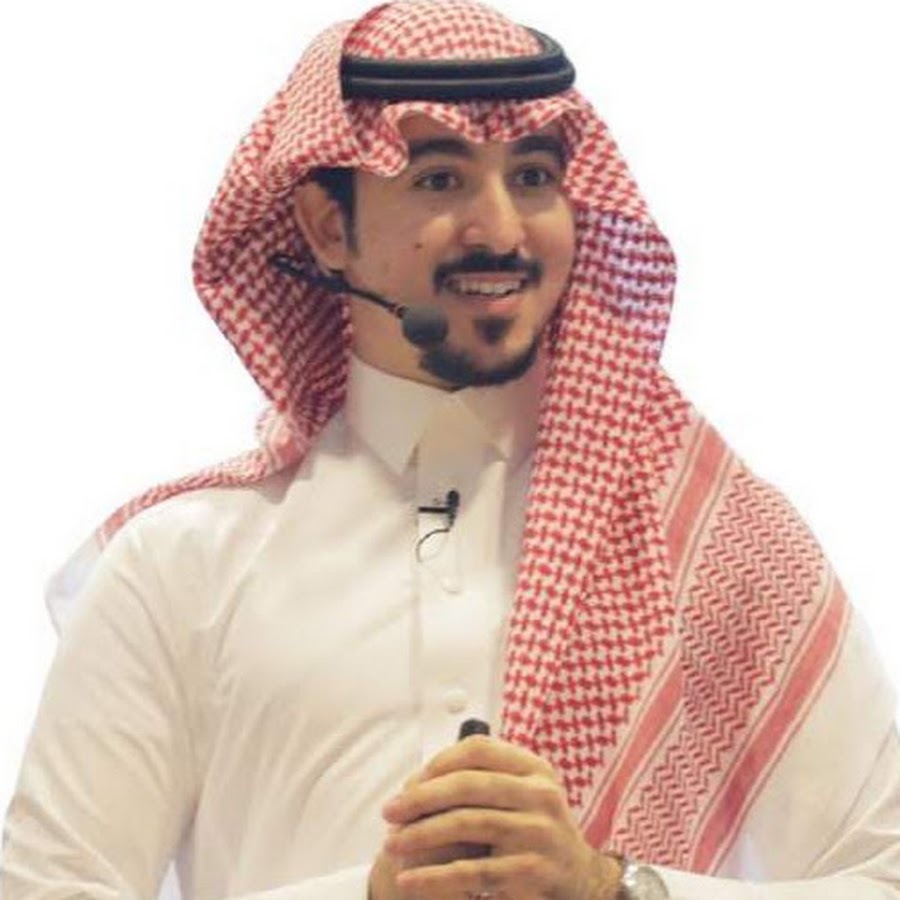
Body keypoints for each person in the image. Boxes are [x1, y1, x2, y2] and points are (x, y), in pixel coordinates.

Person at [1, 1, 898, 898]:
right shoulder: (183, 563)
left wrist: (614, 889)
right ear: (326, 227)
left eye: (534, 177)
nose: (501, 232)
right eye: (439, 180)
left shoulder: (712, 543)